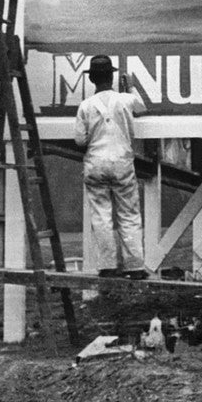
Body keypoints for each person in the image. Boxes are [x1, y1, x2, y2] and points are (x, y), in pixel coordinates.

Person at [73, 55, 149, 280]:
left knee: (101, 216)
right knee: (129, 215)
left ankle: (107, 266)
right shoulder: (125, 100)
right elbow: (143, 107)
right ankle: (134, 266)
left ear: (92, 79)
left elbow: (79, 140)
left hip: (95, 163)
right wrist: (131, 87)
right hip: (121, 163)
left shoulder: (85, 106)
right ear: (112, 76)